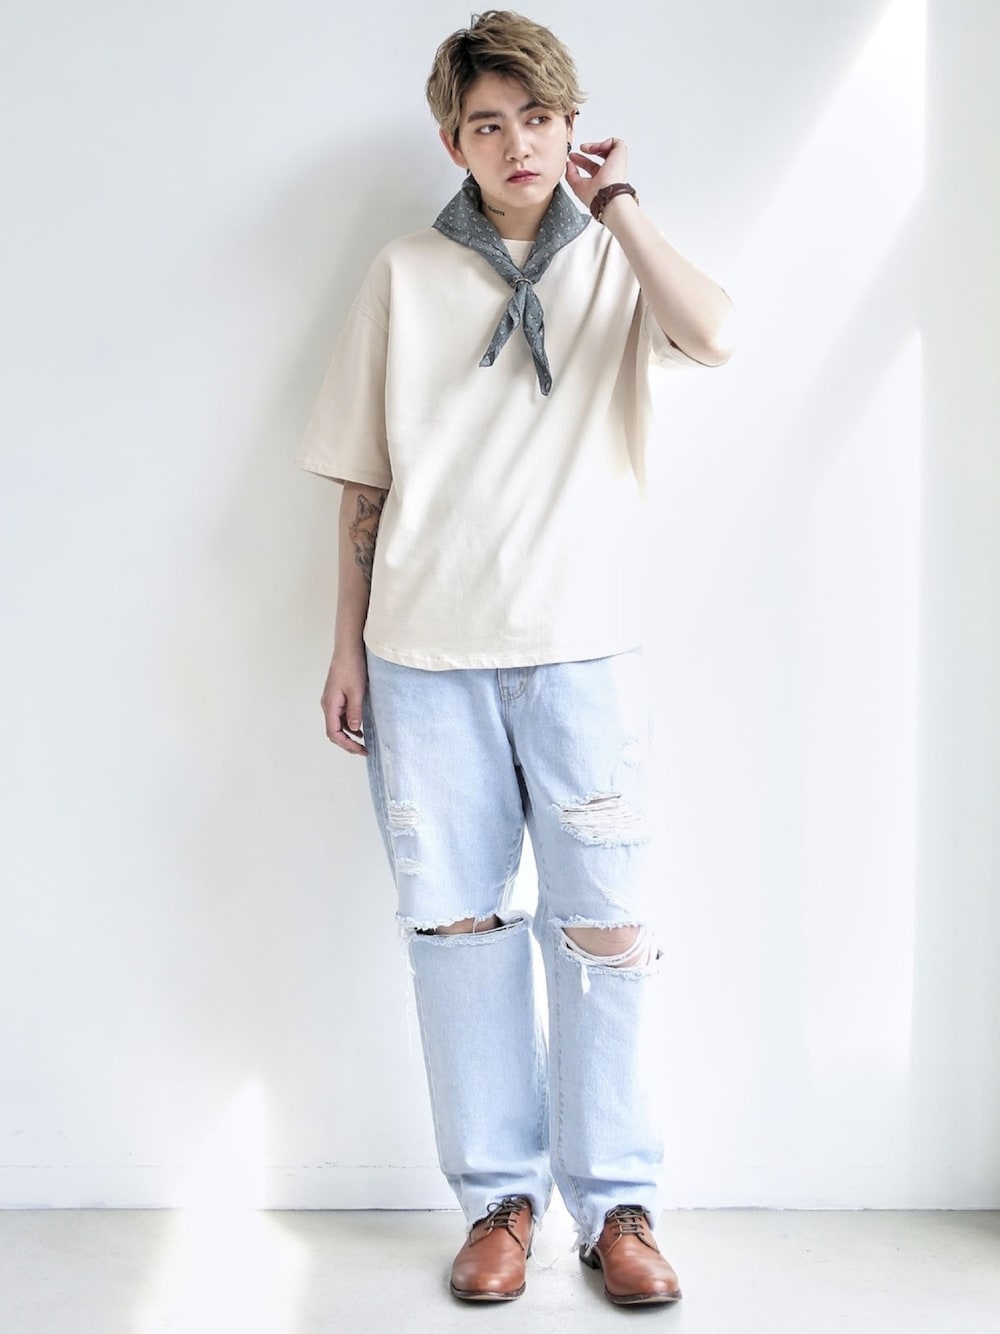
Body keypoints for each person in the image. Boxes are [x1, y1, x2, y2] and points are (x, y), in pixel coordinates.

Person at [297, 9, 733, 1308]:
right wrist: (344, 646)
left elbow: (714, 334)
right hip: (422, 654)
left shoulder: (613, 263)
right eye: (488, 124)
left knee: (608, 932)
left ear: (568, 124)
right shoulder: (403, 274)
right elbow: (364, 481)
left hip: (581, 650)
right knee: (457, 930)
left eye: (537, 118)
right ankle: (499, 1199)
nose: (517, 143)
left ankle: (619, 1206)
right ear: (455, 142)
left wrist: (625, 207)